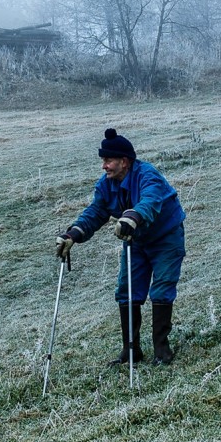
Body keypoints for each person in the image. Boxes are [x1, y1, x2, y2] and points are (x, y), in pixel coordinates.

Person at [55, 128, 186, 366]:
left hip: (166, 238)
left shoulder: (148, 175)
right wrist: (73, 234)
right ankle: (131, 351)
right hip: (135, 242)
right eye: (103, 161)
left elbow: (150, 200)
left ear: (124, 162)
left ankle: (161, 350)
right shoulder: (106, 185)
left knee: (161, 289)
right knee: (127, 292)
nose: (104, 166)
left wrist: (131, 217)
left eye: (108, 161)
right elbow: (95, 212)